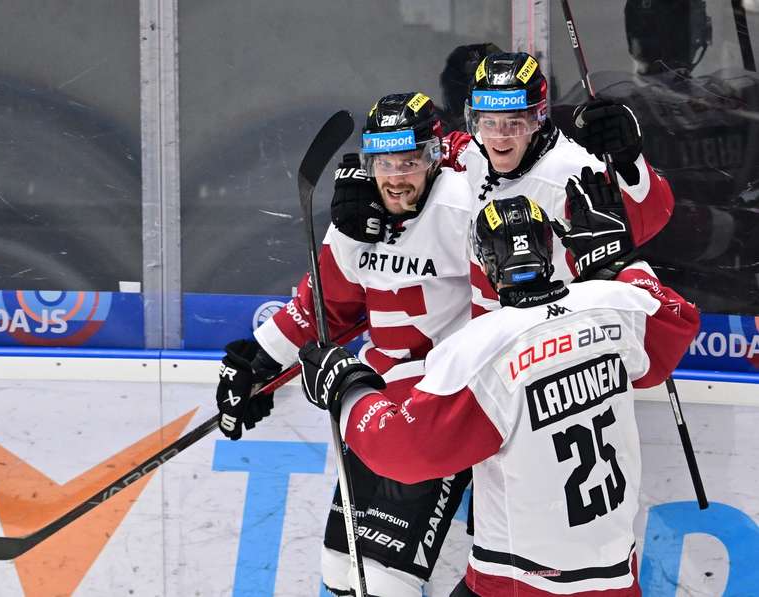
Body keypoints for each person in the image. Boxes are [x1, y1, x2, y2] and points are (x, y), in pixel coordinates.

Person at [298, 181, 701, 596]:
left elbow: (407, 452)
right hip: (616, 574)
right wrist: (618, 262)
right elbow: (676, 322)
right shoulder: (614, 304)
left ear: (487, 265)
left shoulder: (482, 347)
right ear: (550, 250)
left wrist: (349, 390)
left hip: (520, 581)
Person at [214, 92, 479, 596]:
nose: (396, 177)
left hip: (440, 410)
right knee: (342, 572)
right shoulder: (357, 217)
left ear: (435, 155)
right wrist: (256, 364)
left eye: (410, 161)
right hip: (371, 404)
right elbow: (324, 309)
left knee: (384, 582)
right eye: (384, 162)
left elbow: (491, 158)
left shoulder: (463, 205)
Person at [551, 0, 759, 315]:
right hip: (641, 288)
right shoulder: (599, 107)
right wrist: (731, 228)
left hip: (721, 292)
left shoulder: (739, 96)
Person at [440, 51, 676, 318]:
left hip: (552, 331)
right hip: (486, 333)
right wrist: (382, 192)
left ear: (537, 119)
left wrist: (627, 159)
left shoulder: (572, 170)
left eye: (514, 124)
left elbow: (656, 213)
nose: (500, 137)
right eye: (489, 122)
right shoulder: (476, 152)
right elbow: (444, 151)